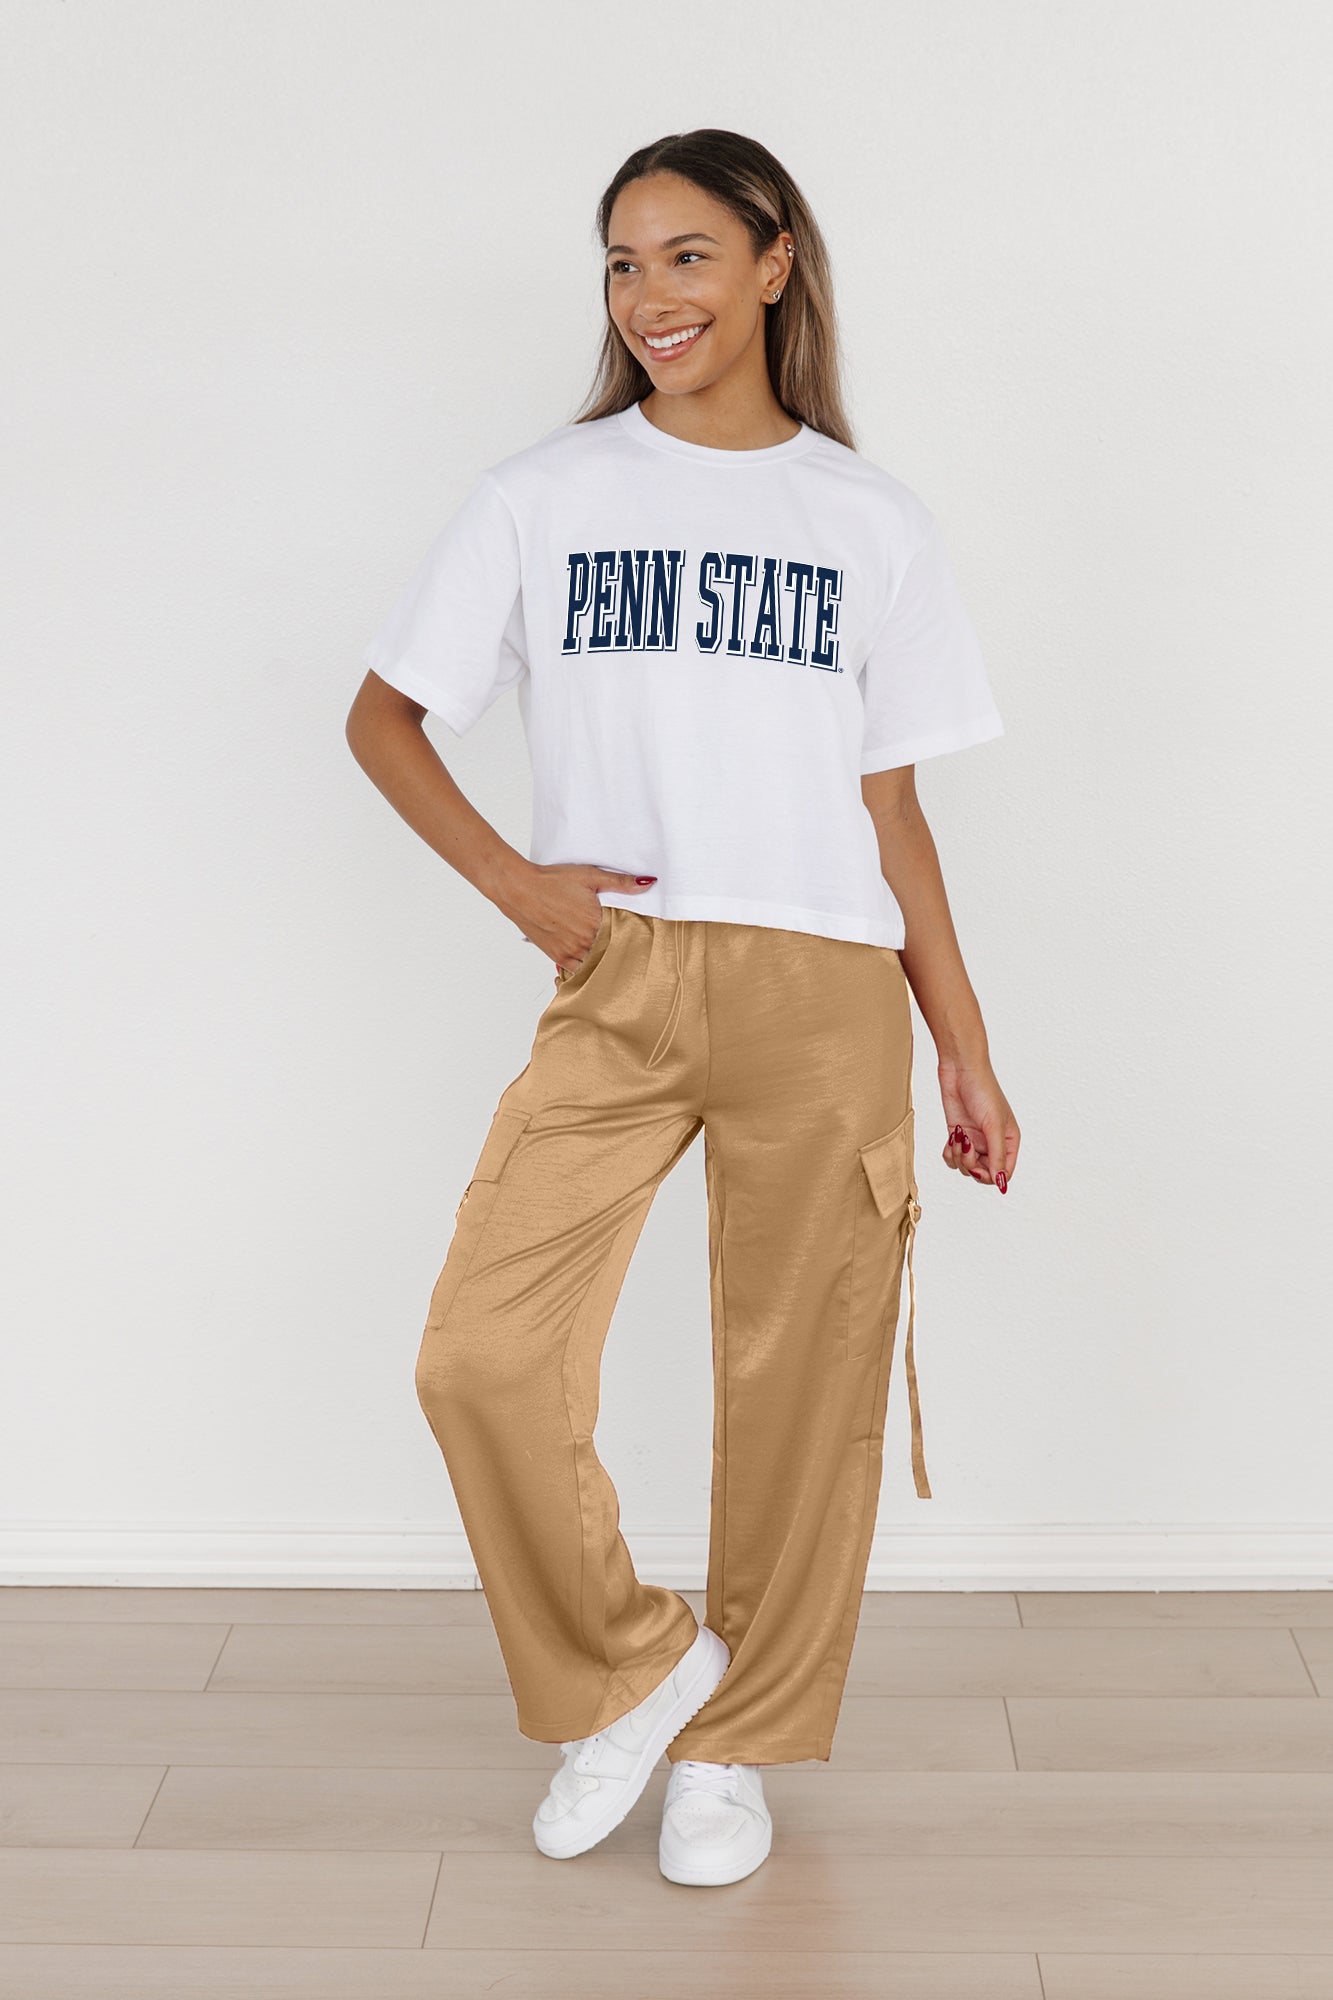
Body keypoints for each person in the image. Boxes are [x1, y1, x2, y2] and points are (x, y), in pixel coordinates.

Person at [345, 127, 1019, 1890]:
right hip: (621, 976)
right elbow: (382, 718)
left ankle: (736, 1748)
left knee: (799, 1387)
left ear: (775, 263)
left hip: (825, 983)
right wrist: (523, 889)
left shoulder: (869, 519)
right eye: (623, 264)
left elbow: (892, 814)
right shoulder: (542, 496)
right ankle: (642, 1670)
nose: (650, 295)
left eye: (687, 256)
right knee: (482, 1356)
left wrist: (961, 1046)